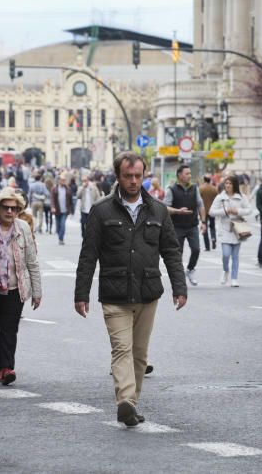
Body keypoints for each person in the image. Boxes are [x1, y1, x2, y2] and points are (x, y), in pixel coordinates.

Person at [74, 152, 188, 427]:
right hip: (115, 293)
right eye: (128, 176)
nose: (134, 181)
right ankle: (125, 400)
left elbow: (171, 250)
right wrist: (81, 293)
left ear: (144, 175)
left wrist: (179, 286)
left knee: (139, 353)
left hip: (148, 291)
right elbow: (88, 255)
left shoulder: (158, 209)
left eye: (138, 176)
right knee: (121, 349)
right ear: (118, 176)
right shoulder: (102, 210)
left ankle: (131, 404)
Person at [0, 188, 42, 385]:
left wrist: (37, 292)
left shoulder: (23, 228)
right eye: (6, 208)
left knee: (9, 329)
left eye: (14, 209)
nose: (10, 212)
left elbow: (32, 261)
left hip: (14, 288)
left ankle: (8, 367)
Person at [163, 166, 206, 287]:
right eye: (187, 174)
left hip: (192, 226)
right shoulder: (171, 189)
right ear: (180, 175)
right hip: (177, 226)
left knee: (196, 249)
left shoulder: (195, 188)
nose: (189, 176)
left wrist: (203, 222)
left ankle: (190, 269)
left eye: (190, 173)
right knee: (178, 254)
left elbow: (200, 205)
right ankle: (179, 279)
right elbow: (165, 208)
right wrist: (177, 211)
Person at [210, 173, 254, 287]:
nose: (228, 185)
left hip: (237, 229)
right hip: (225, 229)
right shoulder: (220, 197)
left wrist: (238, 211)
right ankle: (225, 270)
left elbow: (249, 210)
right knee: (226, 254)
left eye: (230, 183)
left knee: (235, 256)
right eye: (226, 183)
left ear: (234, 185)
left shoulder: (241, 197)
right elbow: (212, 212)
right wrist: (225, 211)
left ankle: (234, 278)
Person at [51, 174, 74, 245]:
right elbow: (52, 199)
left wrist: (71, 210)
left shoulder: (68, 189)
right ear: (58, 181)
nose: (63, 181)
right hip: (57, 210)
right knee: (58, 227)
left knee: (63, 225)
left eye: (64, 180)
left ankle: (61, 239)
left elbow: (71, 200)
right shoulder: (54, 189)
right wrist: (53, 207)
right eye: (61, 180)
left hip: (65, 210)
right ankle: (60, 236)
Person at [199, 175, 218, 252]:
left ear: (204, 180)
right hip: (212, 210)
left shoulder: (201, 188)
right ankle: (213, 238)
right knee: (212, 226)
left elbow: (198, 200)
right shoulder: (214, 189)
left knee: (204, 227)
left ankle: (207, 246)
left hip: (203, 211)